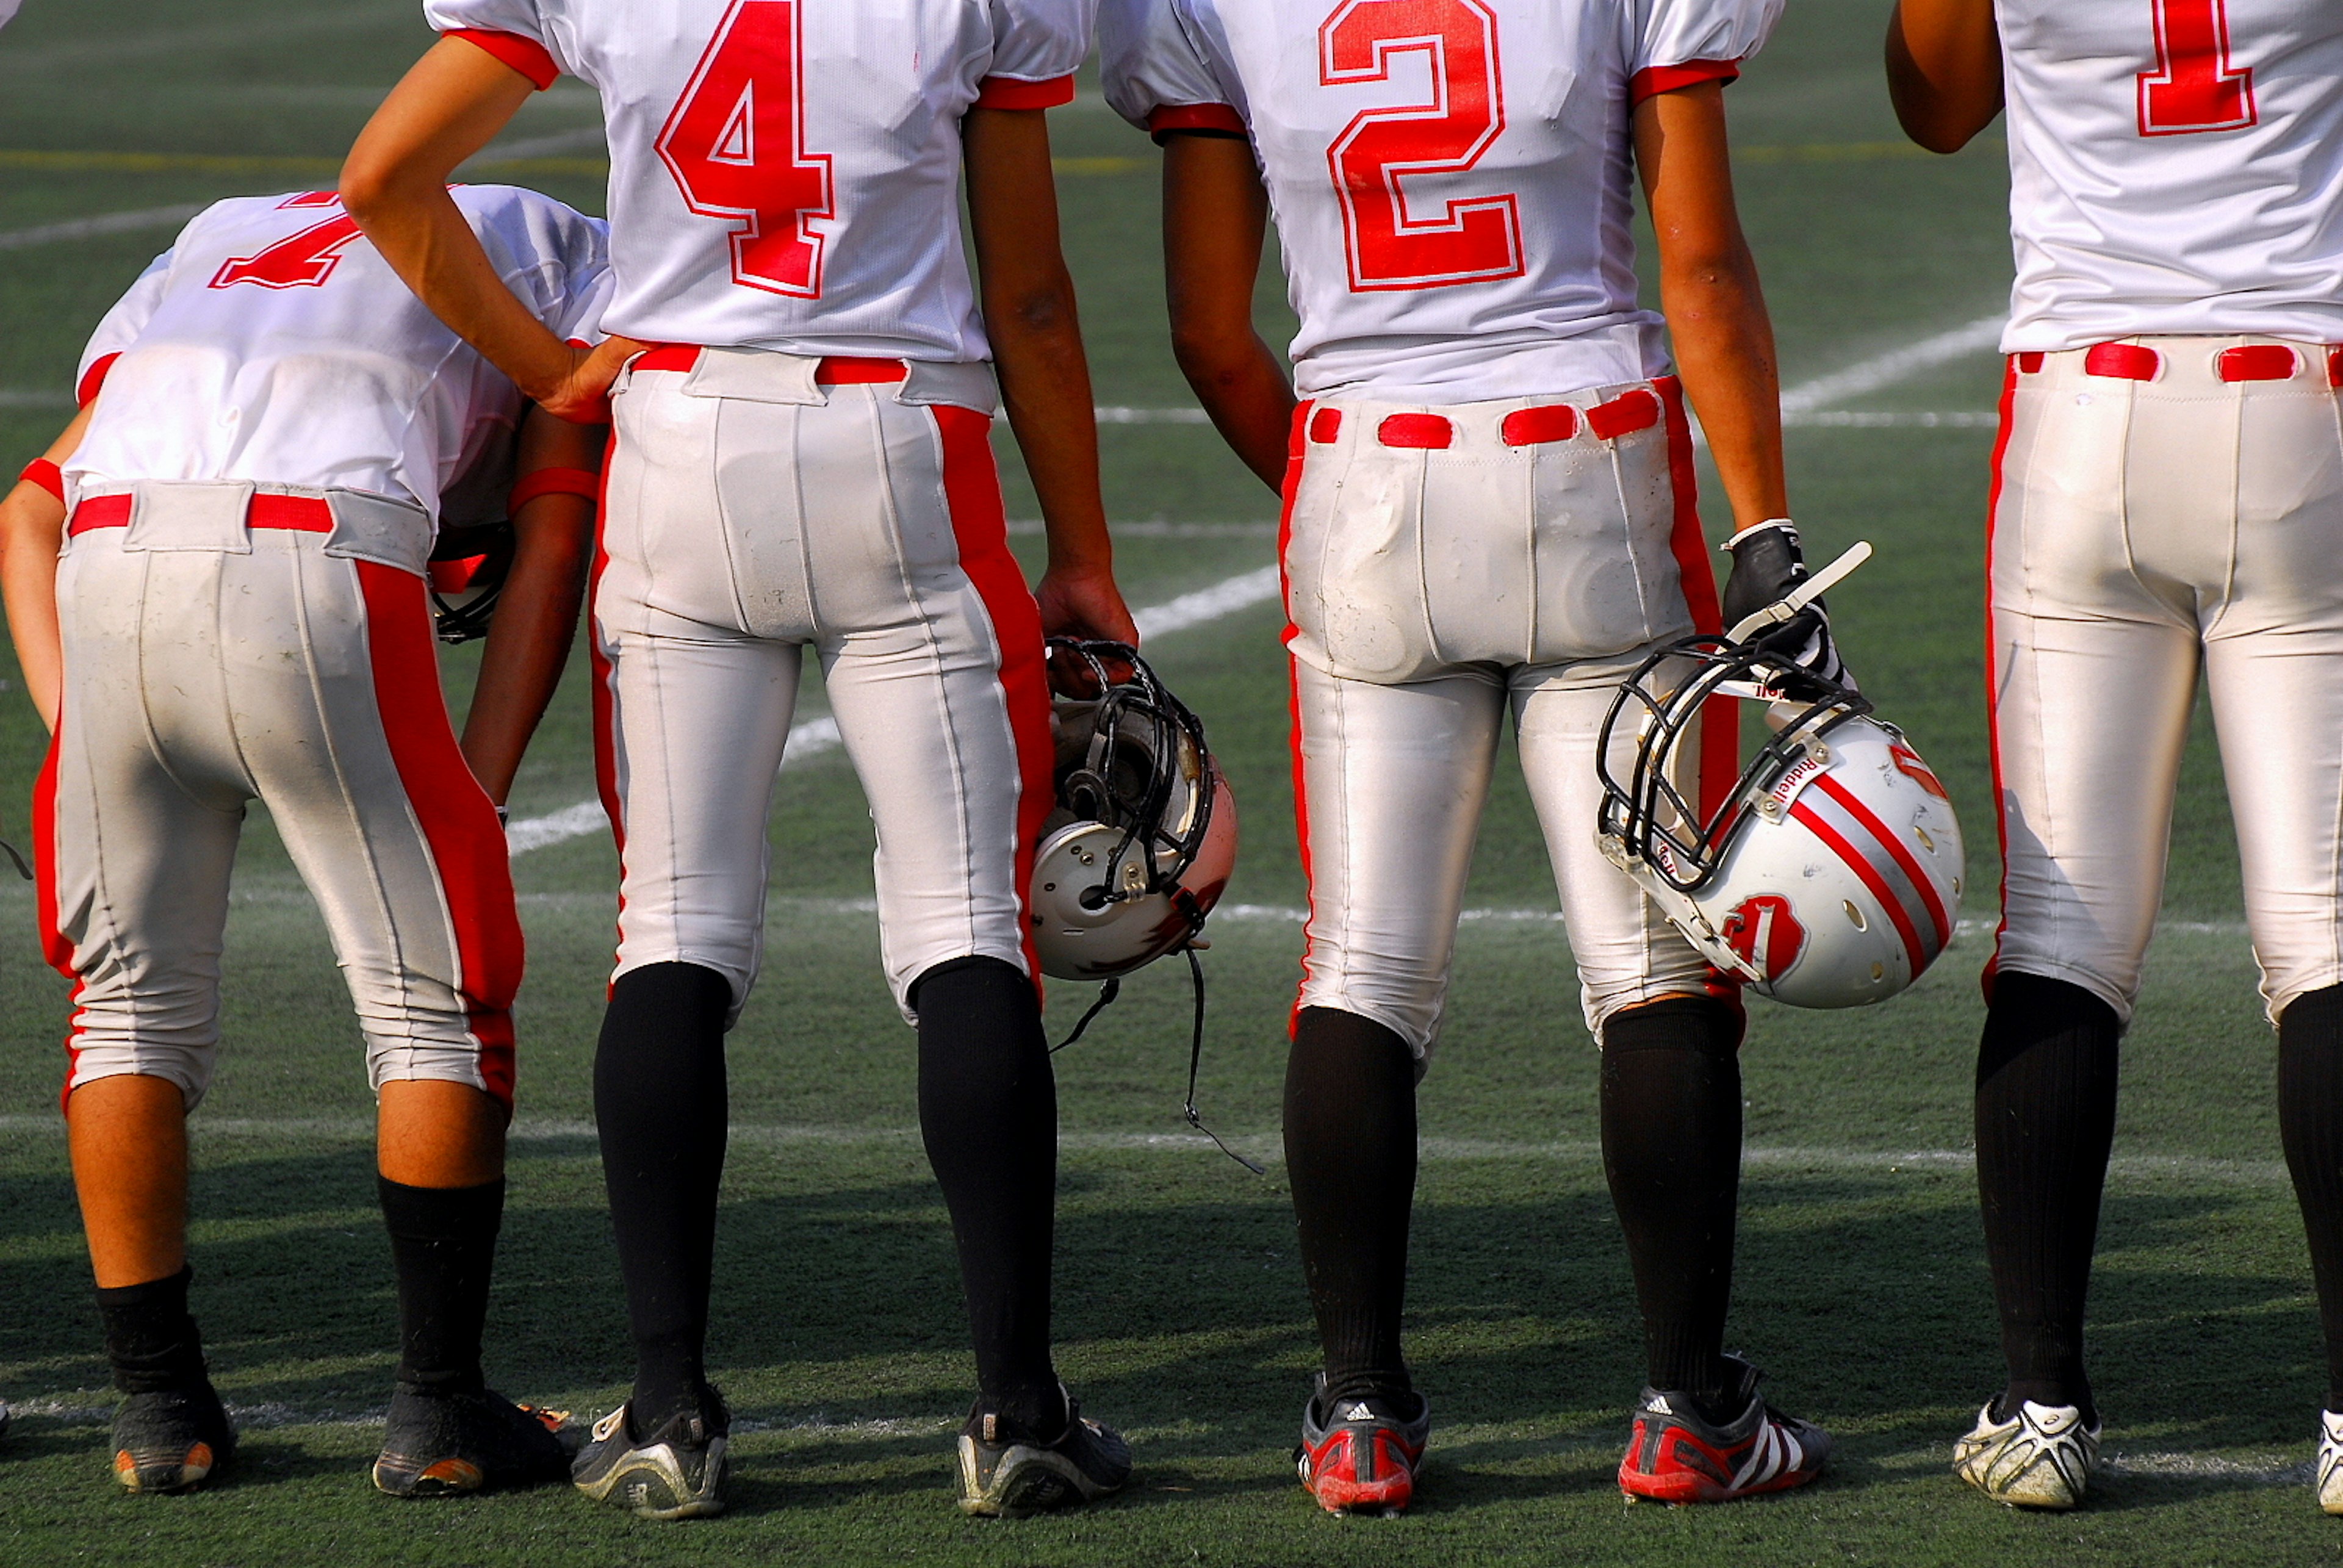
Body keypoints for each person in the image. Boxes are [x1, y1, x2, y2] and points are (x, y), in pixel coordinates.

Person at [339, 0, 1142, 1520]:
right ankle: (1018, 1409)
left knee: (675, 929)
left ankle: (665, 1408)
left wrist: (551, 366)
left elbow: (386, 176)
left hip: (679, 435)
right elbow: (1030, 297)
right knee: (965, 926)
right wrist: (1085, 547)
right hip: (902, 438)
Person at [1102, 0, 1841, 1514]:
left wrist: (1340, 492)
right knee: (1650, 959)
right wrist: (1762, 526)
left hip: (1368, 457)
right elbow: (1698, 260)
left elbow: (1205, 327)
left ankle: (1363, 1411)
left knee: (1366, 968)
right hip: (1589, 458)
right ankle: (1689, 1409)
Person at [0, 184, 610, 1495]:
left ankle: (159, 1412)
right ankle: (439, 1408)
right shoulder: (566, 254)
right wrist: (482, 780)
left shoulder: (219, 231)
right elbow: (556, 531)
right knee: (439, 1007)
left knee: (124, 1019)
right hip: (320, 552)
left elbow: (27, 512)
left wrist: (80, 726)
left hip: (107, 558)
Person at [1888, 0, 2343, 1514]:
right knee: (2329, 937)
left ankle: (2041, 1400)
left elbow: (1934, 104)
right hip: (2309, 392)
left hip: (2089, 398)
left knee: (2066, 935)